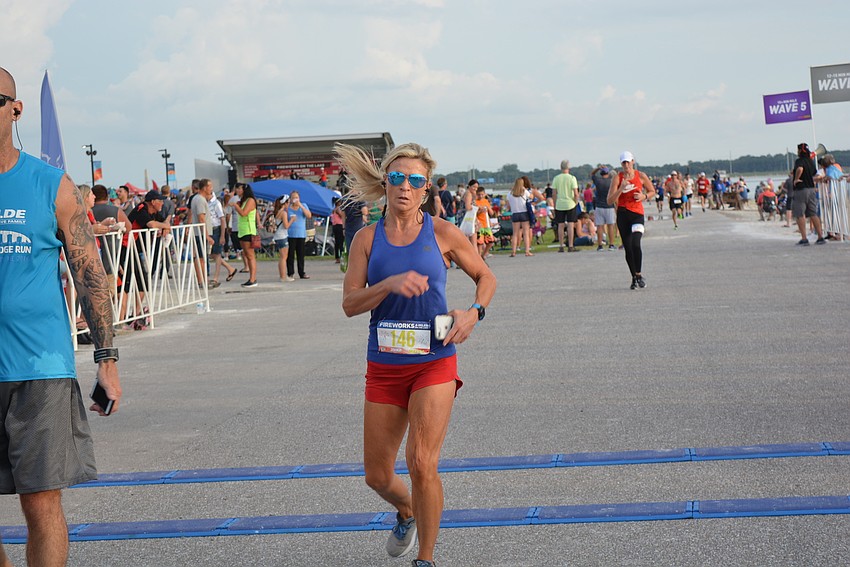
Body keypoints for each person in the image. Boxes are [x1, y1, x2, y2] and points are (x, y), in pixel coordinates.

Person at [337, 141, 496, 567]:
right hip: (385, 366)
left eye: (415, 180)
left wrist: (473, 312)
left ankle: (425, 559)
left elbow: (485, 276)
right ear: (385, 183)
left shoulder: (443, 232)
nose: (404, 187)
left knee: (422, 462)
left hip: (434, 360)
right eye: (396, 178)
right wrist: (387, 285)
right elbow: (350, 304)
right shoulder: (365, 240)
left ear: (425, 190)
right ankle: (406, 510)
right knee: (377, 475)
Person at [0, 66, 122, 565]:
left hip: (39, 367)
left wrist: (107, 360)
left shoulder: (52, 185)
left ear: (15, 108)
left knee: (41, 502)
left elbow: (91, 274)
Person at [607, 151, 656, 289]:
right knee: (628, 248)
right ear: (621, 164)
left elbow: (652, 191)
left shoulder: (641, 176)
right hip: (623, 215)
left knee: (636, 243)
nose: (626, 165)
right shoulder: (618, 178)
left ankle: (639, 274)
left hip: (637, 214)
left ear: (633, 161)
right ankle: (634, 277)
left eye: (628, 162)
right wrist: (620, 189)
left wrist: (644, 196)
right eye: (624, 162)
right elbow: (609, 200)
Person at [792, 143, 825, 245]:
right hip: (811, 189)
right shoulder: (810, 161)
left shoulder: (799, 161)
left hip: (801, 190)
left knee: (800, 214)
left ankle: (804, 238)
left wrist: (796, 179)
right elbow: (814, 173)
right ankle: (820, 237)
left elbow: (800, 169)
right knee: (813, 213)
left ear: (800, 151)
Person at [207, 185, 237, 287]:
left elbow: (222, 219)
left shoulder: (216, 203)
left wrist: (222, 235)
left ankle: (216, 277)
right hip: (210, 230)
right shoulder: (206, 203)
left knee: (217, 254)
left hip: (216, 229)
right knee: (212, 254)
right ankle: (230, 268)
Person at [232, 183, 259, 286]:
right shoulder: (243, 201)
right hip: (242, 230)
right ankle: (251, 277)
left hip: (248, 230)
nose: (237, 191)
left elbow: (244, 213)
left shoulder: (250, 200)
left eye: (239, 189)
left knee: (250, 255)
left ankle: (253, 279)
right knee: (246, 254)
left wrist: (235, 206)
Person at [551, 159, 580, 252]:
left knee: (560, 225)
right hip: (570, 203)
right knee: (570, 225)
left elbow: (554, 193)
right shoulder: (572, 178)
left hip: (560, 203)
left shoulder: (556, 178)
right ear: (569, 168)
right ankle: (570, 245)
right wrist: (576, 202)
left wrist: (555, 204)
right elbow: (576, 193)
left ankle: (561, 245)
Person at [286, 190, 312, 279]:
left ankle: (302, 272)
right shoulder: (288, 208)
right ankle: (290, 272)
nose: (295, 199)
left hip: (301, 234)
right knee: (290, 255)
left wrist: (300, 206)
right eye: (293, 197)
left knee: (301, 255)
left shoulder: (303, 206)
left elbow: (309, 215)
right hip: (290, 234)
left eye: (296, 197)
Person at [591, 165, 617, 251]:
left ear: (601, 173)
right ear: (608, 173)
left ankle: (600, 245)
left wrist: (598, 168)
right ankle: (611, 244)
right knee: (610, 226)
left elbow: (592, 174)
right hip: (609, 206)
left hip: (599, 206)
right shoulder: (611, 182)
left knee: (600, 226)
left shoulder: (598, 181)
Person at [506, 177, 533, 257]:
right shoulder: (524, 191)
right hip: (524, 213)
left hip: (515, 213)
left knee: (515, 234)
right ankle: (527, 251)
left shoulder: (510, 193)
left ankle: (513, 251)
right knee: (525, 233)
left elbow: (508, 205)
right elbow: (531, 197)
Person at [273, 194, 294, 281]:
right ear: (284, 203)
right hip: (282, 236)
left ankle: (282, 275)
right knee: (283, 257)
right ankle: (283, 276)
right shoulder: (283, 213)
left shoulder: (277, 211)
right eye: (288, 202)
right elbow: (286, 225)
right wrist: (292, 220)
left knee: (282, 257)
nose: (289, 204)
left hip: (278, 236)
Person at [474, 186, 495, 260]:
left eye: (482, 194)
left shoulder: (486, 201)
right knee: (480, 243)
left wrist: (489, 208)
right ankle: (479, 257)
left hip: (486, 225)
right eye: (479, 194)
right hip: (480, 225)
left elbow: (491, 213)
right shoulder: (475, 202)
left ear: (485, 194)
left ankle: (484, 254)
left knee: (491, 241)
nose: (480, 196)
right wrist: (480, 211)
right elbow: (474, 214)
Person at [330, 197, 345, 264]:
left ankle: (337, 257)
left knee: (337, 242)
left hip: (335, 226)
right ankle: (341, 256)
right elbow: (342, 216)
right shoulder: (338, 209)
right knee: (340, 242)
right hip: (339, 226)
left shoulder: (333, 209)